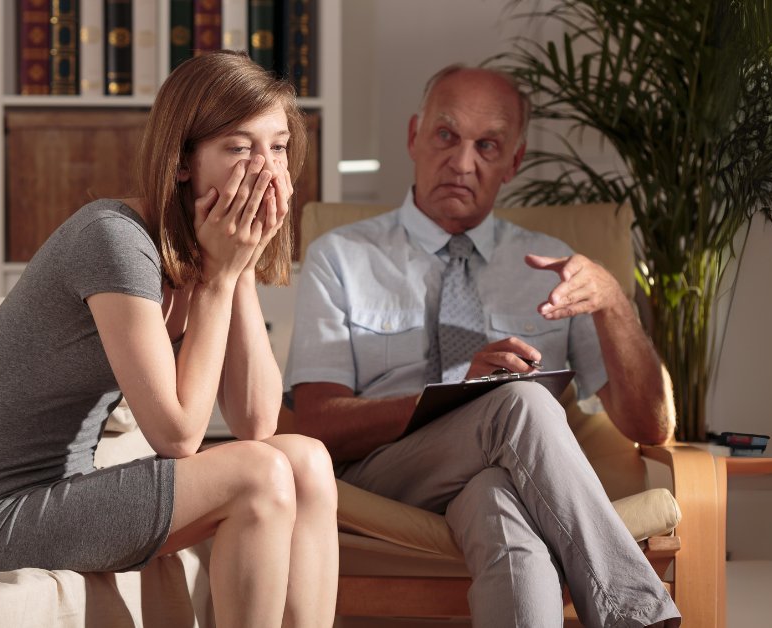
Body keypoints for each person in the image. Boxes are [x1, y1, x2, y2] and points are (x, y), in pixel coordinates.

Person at [0, 51, 338, 628]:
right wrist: (221, 278)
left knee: (306, 460)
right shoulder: (114, 239)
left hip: (69, 494)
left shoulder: (207, 250)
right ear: (183, 163)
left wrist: (239, 268)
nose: (265, 171)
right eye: (239, 148)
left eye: (277, 147)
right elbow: (176, 435)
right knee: (259, 475)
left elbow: (255, 423)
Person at [285, 65, 681, 627]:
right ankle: (635, 613)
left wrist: (616, 302)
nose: (462, 162)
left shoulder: (554, 266)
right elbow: (319, 422)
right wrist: (460, 397)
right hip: (381, 479)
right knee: (519, 402)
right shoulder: (340, 258)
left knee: (499, 503)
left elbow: (651, 426)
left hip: (510, 479)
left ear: (512, 163)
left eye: (487, 145)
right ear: (414, 136)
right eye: (446, 135)